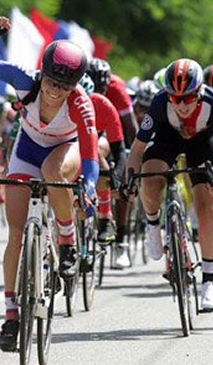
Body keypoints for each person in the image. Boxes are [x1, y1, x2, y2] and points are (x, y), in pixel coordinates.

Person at [0, 16, 99, 352]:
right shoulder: (25, 81)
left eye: (64, 87)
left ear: (75, 86)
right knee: (16, 234)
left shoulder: (81, 103)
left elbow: (90, 148)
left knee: (54, 170)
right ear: (44, 74)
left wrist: (91, 183)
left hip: (63, 150)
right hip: (26, 150)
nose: (54, 92)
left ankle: (66, 239)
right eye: (52, 82)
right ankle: (11, 316)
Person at [125, 58, 213, 311]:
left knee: (206, 206)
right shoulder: (160, 103)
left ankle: (208, 283)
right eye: (175, 98)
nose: (181, 104)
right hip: (166, 139)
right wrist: (130, 178)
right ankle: (153, 225)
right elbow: (137, 150)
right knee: (150, 182)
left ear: (200, 92)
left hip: (200, 143)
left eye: (188, 98)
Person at [79, 73, 130, 268]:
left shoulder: (104, 105)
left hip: (97, 139)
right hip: (68, 140)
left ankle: (105, 216)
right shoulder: (60, 103)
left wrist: (116, 175)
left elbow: (119, 149)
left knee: (95, 148)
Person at [86, 58, 135, 253]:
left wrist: (132, 162)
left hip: (109, 131)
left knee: (121, 180)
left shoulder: (116, 90)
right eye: (94, 87)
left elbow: (131, 127)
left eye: (102, 87)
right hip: (81, 130)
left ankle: (119, 235)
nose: (99, 91)